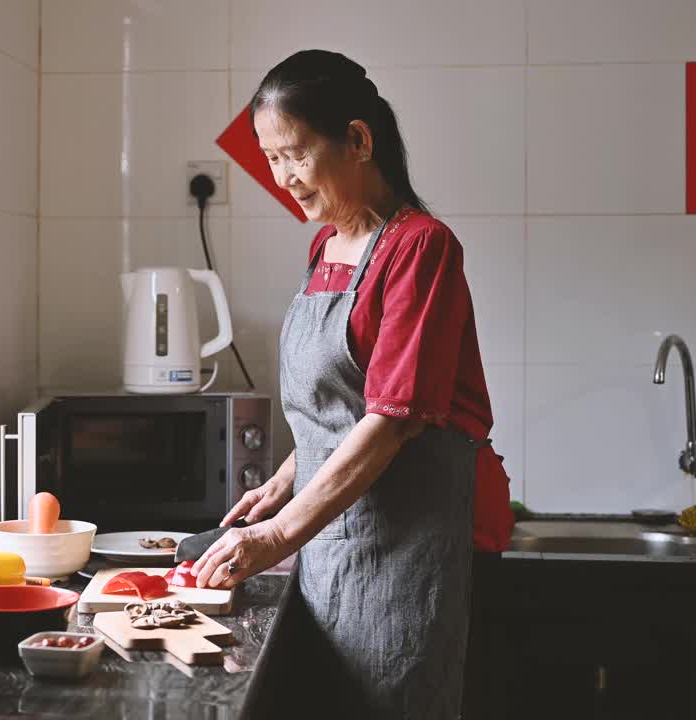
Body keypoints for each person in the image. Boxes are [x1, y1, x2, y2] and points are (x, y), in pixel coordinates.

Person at [192, 50, 513, 716]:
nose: (283, 179)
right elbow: (341, 403)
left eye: (295, 154)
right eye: (270, 159)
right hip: (326, 558)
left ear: (358, 140)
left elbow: (392, 418)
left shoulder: (422, 247)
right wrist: (282, 481)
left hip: (399, 566)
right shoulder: (325, 248)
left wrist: (277, 535)